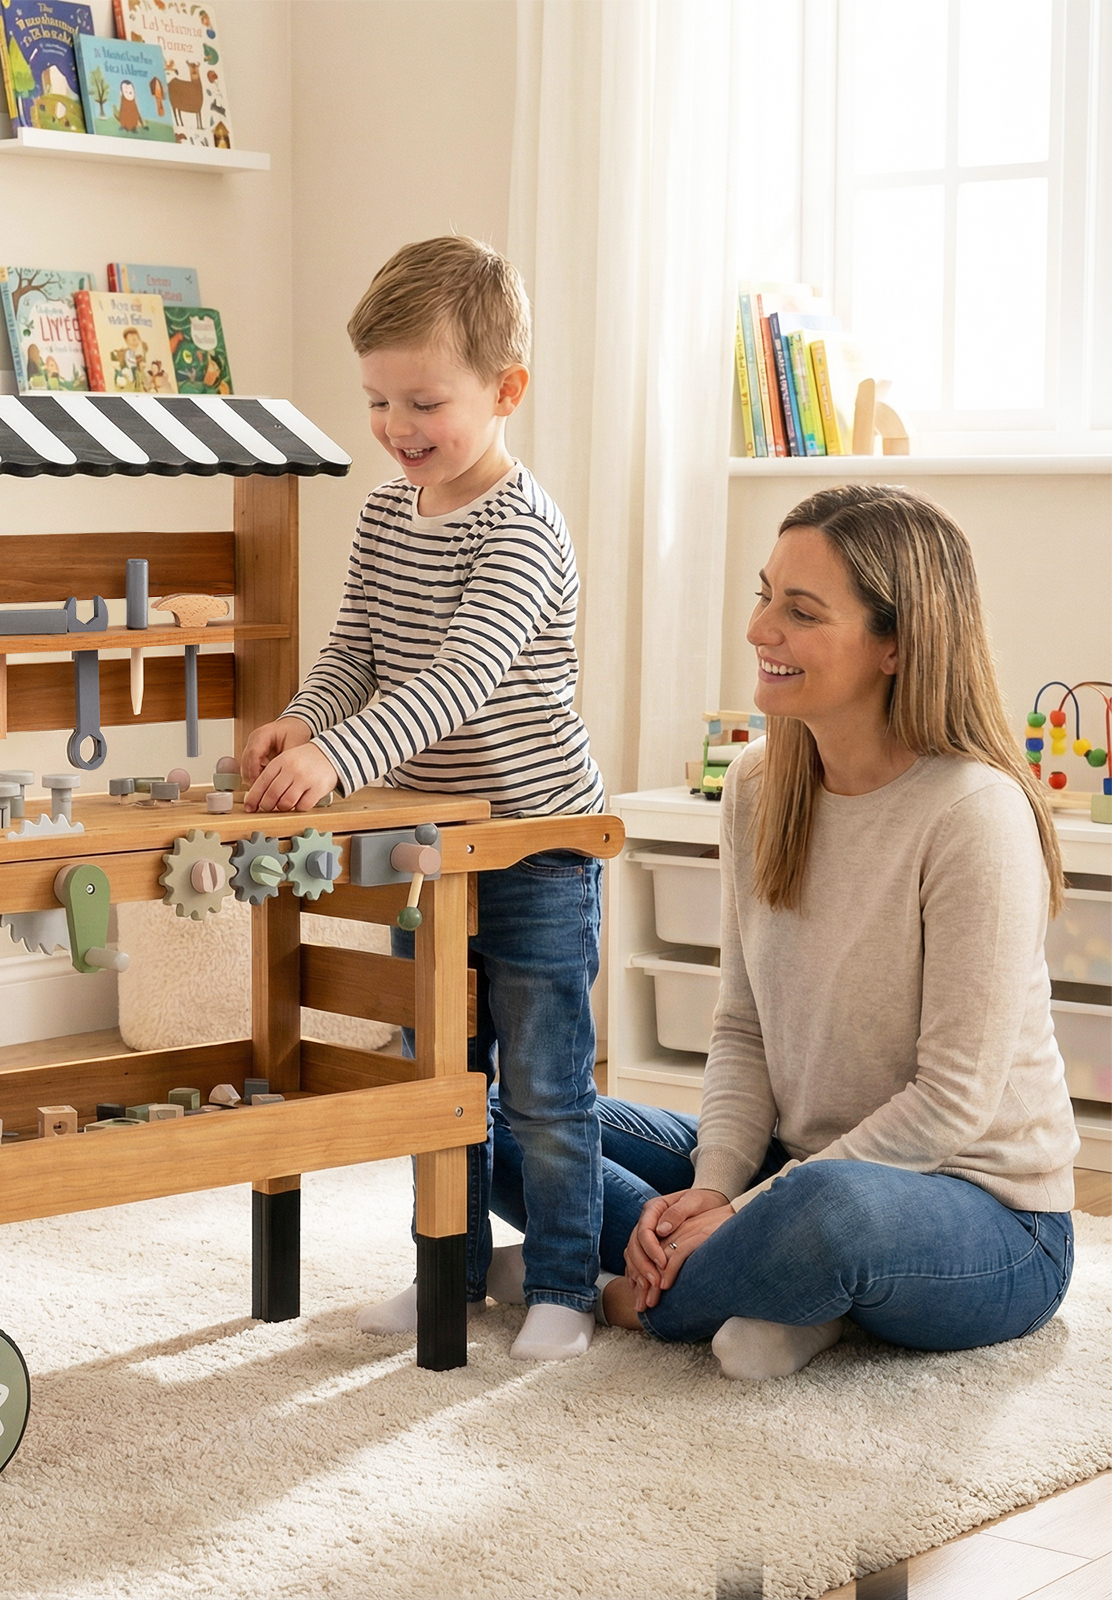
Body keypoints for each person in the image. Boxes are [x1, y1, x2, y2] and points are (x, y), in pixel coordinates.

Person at [502, 483, 1077, 1379]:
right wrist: (714, 1188)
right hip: (796, 1161)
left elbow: (951, 1102)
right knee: (503, 1113)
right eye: (765, 596)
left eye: (801, 611)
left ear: (897, 644)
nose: (759, 629)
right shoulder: (760, 783)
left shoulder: (975, 813)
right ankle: (779, 1294)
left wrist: (747, 1211)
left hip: (986, 1213)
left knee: (830, 1214)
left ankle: (601, 1289)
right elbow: (742, 1027)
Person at [241, 236, 608, 1361]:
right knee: (437, 1080)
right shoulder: (385, 514)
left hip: (534, 848)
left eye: (425, 402)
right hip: (436, 848)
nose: (397, 427)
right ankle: (445, 1261)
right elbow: (356, 648)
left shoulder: (522, 530)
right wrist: (307, 719)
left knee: (544, 1087)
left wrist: (341, 763)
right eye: (377, 400)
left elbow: (458, 678)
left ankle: (564, 1284)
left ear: (506, 391)